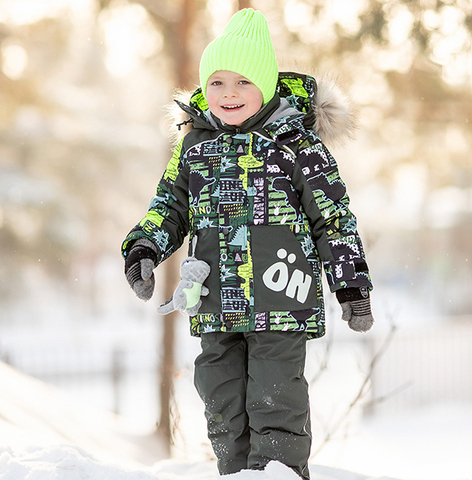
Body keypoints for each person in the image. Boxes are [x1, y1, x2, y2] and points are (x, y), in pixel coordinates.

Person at [122, 8, 374, 480]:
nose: (228, 93)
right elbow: (170, 207)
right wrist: (144, 249)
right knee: (219, 399)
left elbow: (333, 217)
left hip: (283, 296)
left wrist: (351, 286)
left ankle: (277, 473)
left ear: (266, 86)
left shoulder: (296, 145)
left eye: (242, 82)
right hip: (216, 300)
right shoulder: (194, 147)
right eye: (216, 83)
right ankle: (235, 474)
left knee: (275, 398)